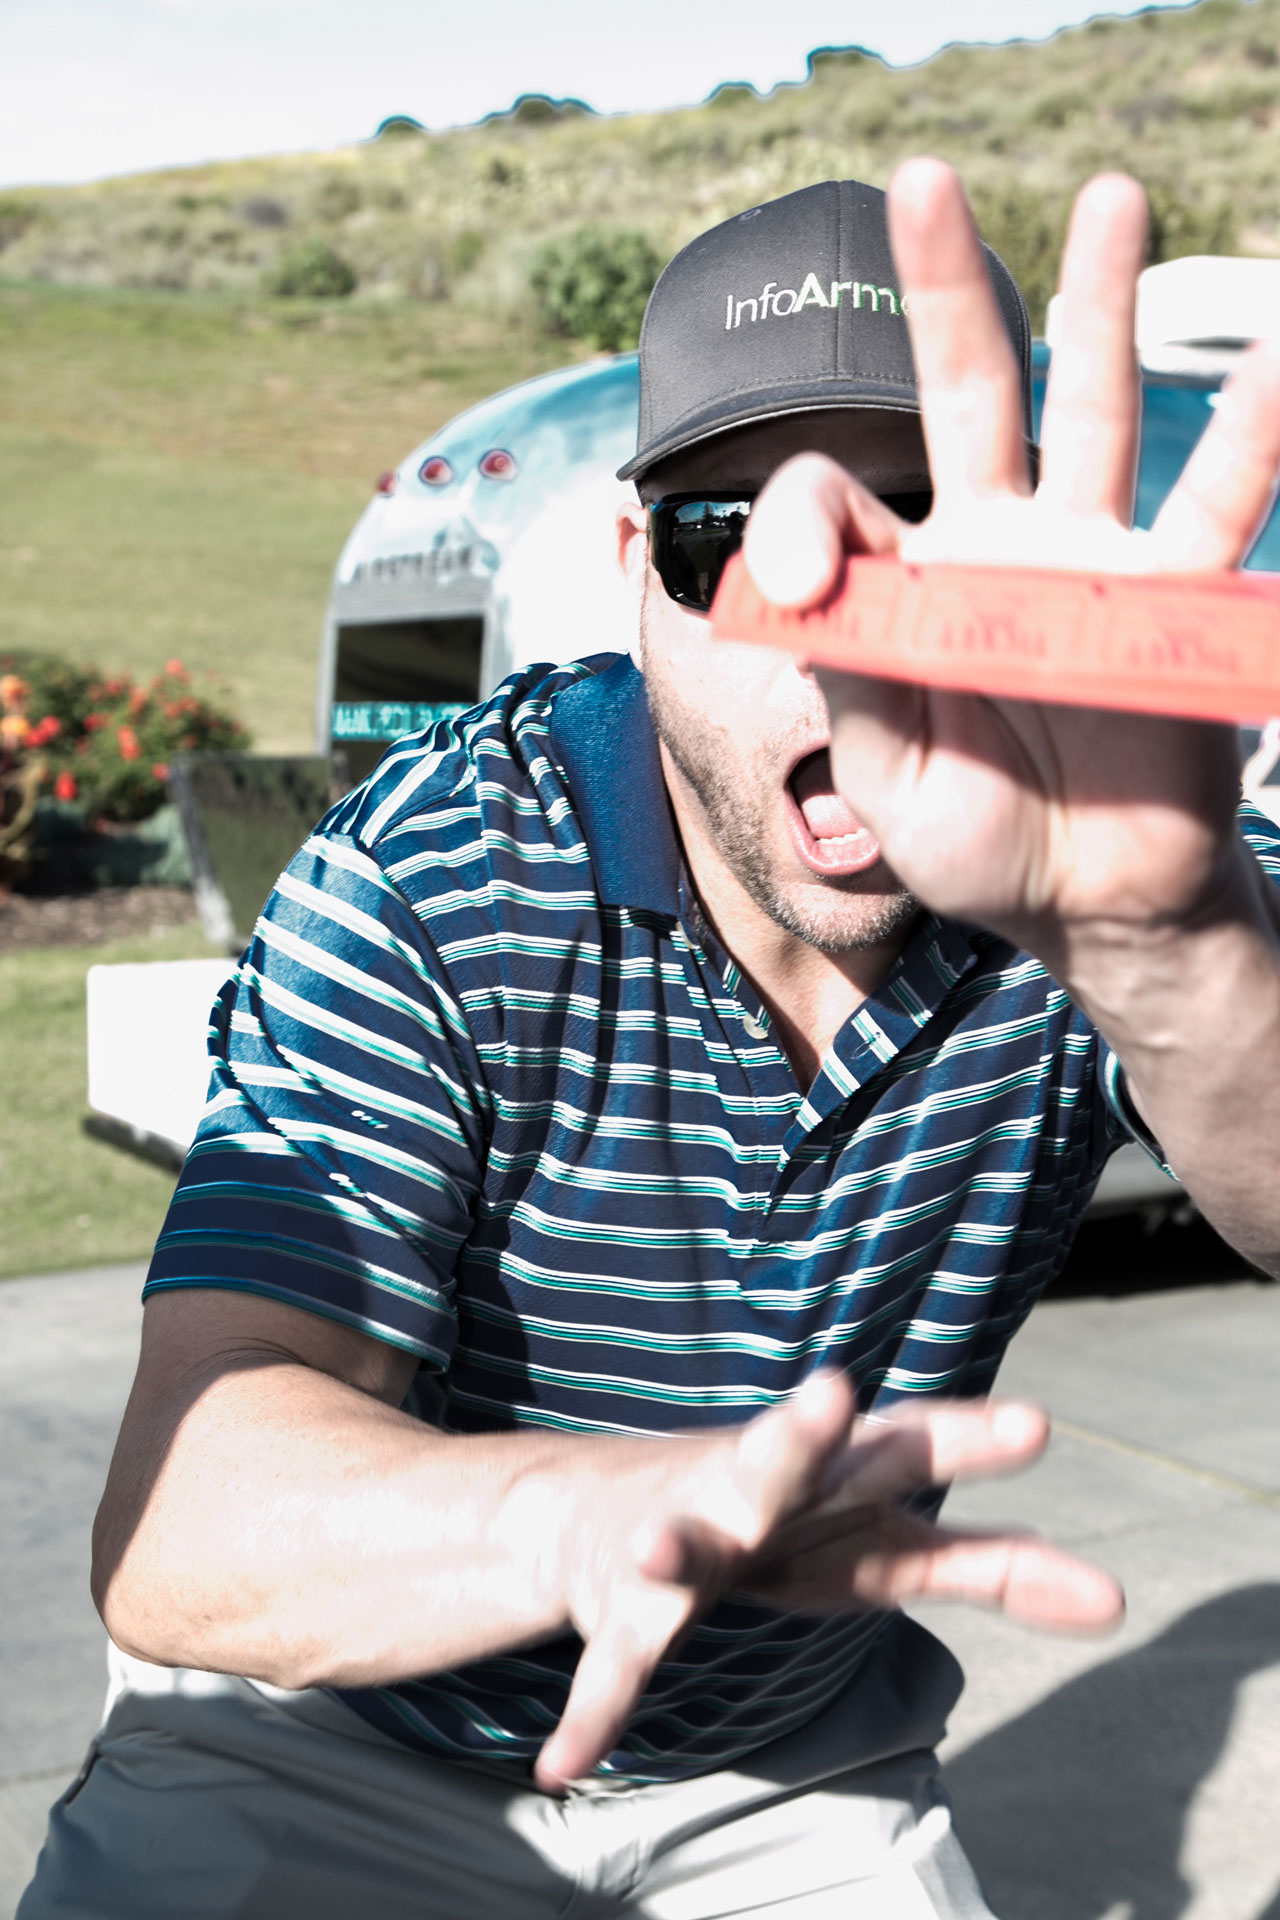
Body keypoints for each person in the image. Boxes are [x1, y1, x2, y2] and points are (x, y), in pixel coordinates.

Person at [21, 163, 1280, 1919]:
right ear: (632, 569)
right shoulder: (435, 877)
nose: (838, 649)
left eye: (918, 548)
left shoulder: (1121, 863)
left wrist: (1170, 947)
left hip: (780, 1772)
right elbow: (187, 1523)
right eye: (733, 546)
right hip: (325, 1740)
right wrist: (586, 1516)